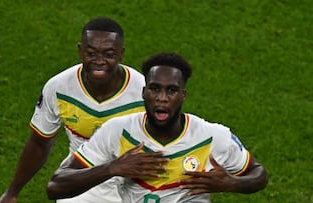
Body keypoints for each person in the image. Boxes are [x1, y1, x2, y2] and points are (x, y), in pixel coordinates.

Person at [46, 52, 268, 202]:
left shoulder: (213, 136)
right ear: (144, 92)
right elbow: (56, 186)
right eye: (154, 89)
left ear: (183, 96)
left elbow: (259, 174)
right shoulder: (117, 131)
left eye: (171, 90)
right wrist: (113, 168)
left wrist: (231, 183)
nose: (162, 98)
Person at [0, 17, 146, 203]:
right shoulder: (59, 87)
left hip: (133, 184)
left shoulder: (144, 91)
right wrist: (12, 192)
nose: (99, 61)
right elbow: (39, 143)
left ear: (121, 54)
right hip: (80, 180)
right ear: (80, 51)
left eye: (108, 54)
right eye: (91, 53)